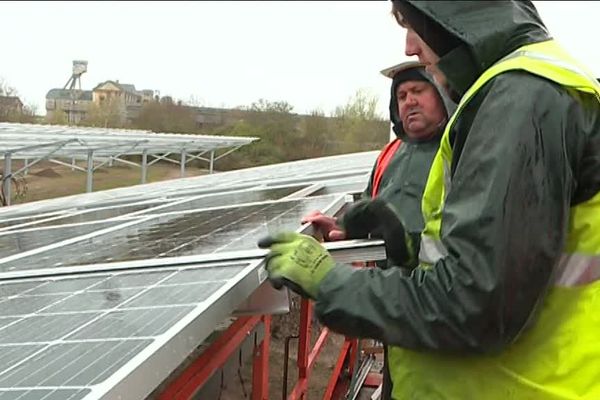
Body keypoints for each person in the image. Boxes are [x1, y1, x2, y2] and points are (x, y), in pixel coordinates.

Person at [258, 1, 600, 399]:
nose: (409, 48)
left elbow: (478, 305)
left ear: (456, 11)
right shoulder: (514, 95)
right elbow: (508, 258)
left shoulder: (522, 98)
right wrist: (408, 250)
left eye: (413, 24)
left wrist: (333, 283)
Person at [302, 61, 454, 273]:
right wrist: (342, 226)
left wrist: (404, 242)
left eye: (418, 91)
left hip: (438, 288)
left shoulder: (460, 148)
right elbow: (369, 207)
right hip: (387, 287)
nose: (410, 101)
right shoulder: (389, 154)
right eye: (401, 96)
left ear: (441, 95)